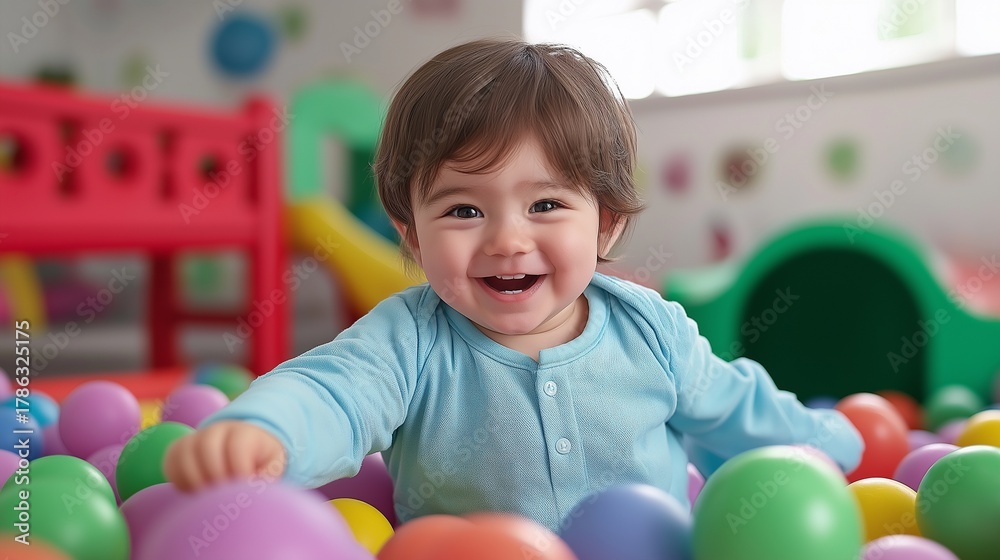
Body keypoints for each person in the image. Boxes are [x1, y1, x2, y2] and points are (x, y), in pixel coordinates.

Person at [164, 38, 863, 532]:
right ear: (412, 234)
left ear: (606, 223)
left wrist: (829, 446)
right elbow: (333, 391)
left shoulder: (650, 330)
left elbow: (735, 411)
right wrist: (263, 432)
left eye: (546, 204)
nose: (506, 239)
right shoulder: (409, 339)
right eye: (464, 211)